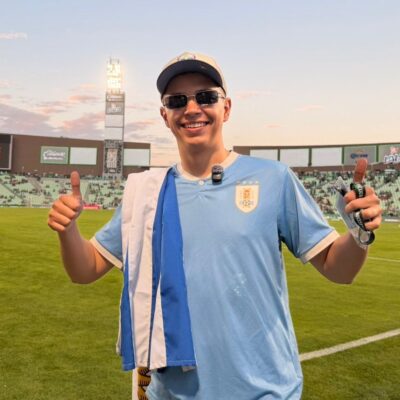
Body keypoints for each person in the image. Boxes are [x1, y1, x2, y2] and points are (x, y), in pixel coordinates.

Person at [48, 51, 382, 400]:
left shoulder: (274, 178)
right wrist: (68, 231)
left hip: (264, 391)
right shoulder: (147, 193)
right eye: (177, 101)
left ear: (227, 107)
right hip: (172, 393)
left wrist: (358, 234)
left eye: (206, 97)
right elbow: (85, 269)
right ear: (165, 116)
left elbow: (338, 269)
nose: (192, 109)